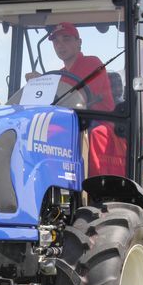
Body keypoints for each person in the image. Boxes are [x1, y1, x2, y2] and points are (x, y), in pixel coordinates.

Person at [27, 23, 125, 176]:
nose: (60, 45)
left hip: (97, 121)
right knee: (32, 133)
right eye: (56, 42)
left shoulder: (92, 63)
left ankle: (92, 186)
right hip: (71, 122)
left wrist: (45, 81)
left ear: (79, 42)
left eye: (66, 39)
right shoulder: (58, 74)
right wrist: (36, 85)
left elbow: (77, 97)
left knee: (83, 135)